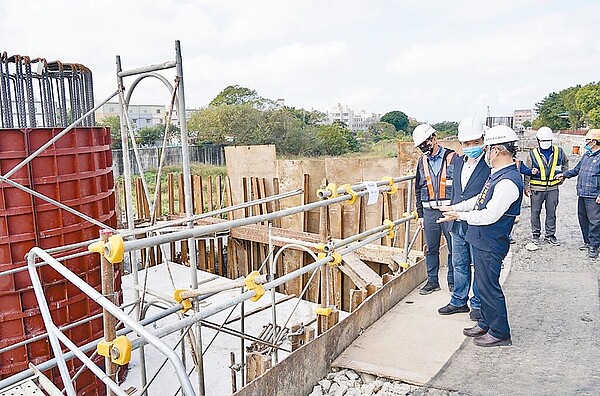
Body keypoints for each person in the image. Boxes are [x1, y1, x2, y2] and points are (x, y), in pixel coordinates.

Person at [438, 125, 523, 347]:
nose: (484, 153)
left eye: (487, 148)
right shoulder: (498, 175)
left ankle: (499, 332)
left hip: (491, 242)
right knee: (483, 284)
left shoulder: (507, 181)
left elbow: (490, 215)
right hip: (481, 240)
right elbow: (478, 200)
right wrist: (455, 208)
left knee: (488, 287)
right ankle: (485, 323)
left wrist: (460, 215)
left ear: (496, 151)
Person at [437, 117, 490, 320]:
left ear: (482, 140)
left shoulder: (489, 164)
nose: (471, 147)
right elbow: (455, 191)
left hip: (477, 222)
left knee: (478, 264)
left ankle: (477, 303)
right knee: (459, 262)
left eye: (475, 142)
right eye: (467, 144)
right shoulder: (458, 162)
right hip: (456, 222)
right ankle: (459, 300)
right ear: (461, 144)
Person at [413, 124, 455, 295]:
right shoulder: (422, 161)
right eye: (420, 145)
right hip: (429, 212)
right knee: (431, 249)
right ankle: (432, 281)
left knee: (454, 248)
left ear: (434, 138)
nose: (424, 147)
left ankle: (453, 282)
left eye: (425, 143)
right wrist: (420, 214)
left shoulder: (452, 157)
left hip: (448, 210)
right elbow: (418, 188)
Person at [555, 129, 600, 258]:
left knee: (595, 221)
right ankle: (587, 242)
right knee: (583, 218)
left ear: (594, 142)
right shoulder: (587, 155)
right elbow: (576, 170)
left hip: (594, 195)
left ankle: (594, 245)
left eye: (588, 141)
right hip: (582, 193)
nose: (586, 143)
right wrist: (564, 174)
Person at [524, 126, 569, 246]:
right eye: (543, 141)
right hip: (536, 189)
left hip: (553, 189)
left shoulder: (559, 152)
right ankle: (535, 234)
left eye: (547, 140)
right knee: (535, 212)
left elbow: (565, 163)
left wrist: (563, 176)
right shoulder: (532, 154)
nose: (545, 143)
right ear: (538, 141)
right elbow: (528, 171)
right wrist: (526, 187)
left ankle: (550, 235)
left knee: (551, 213)